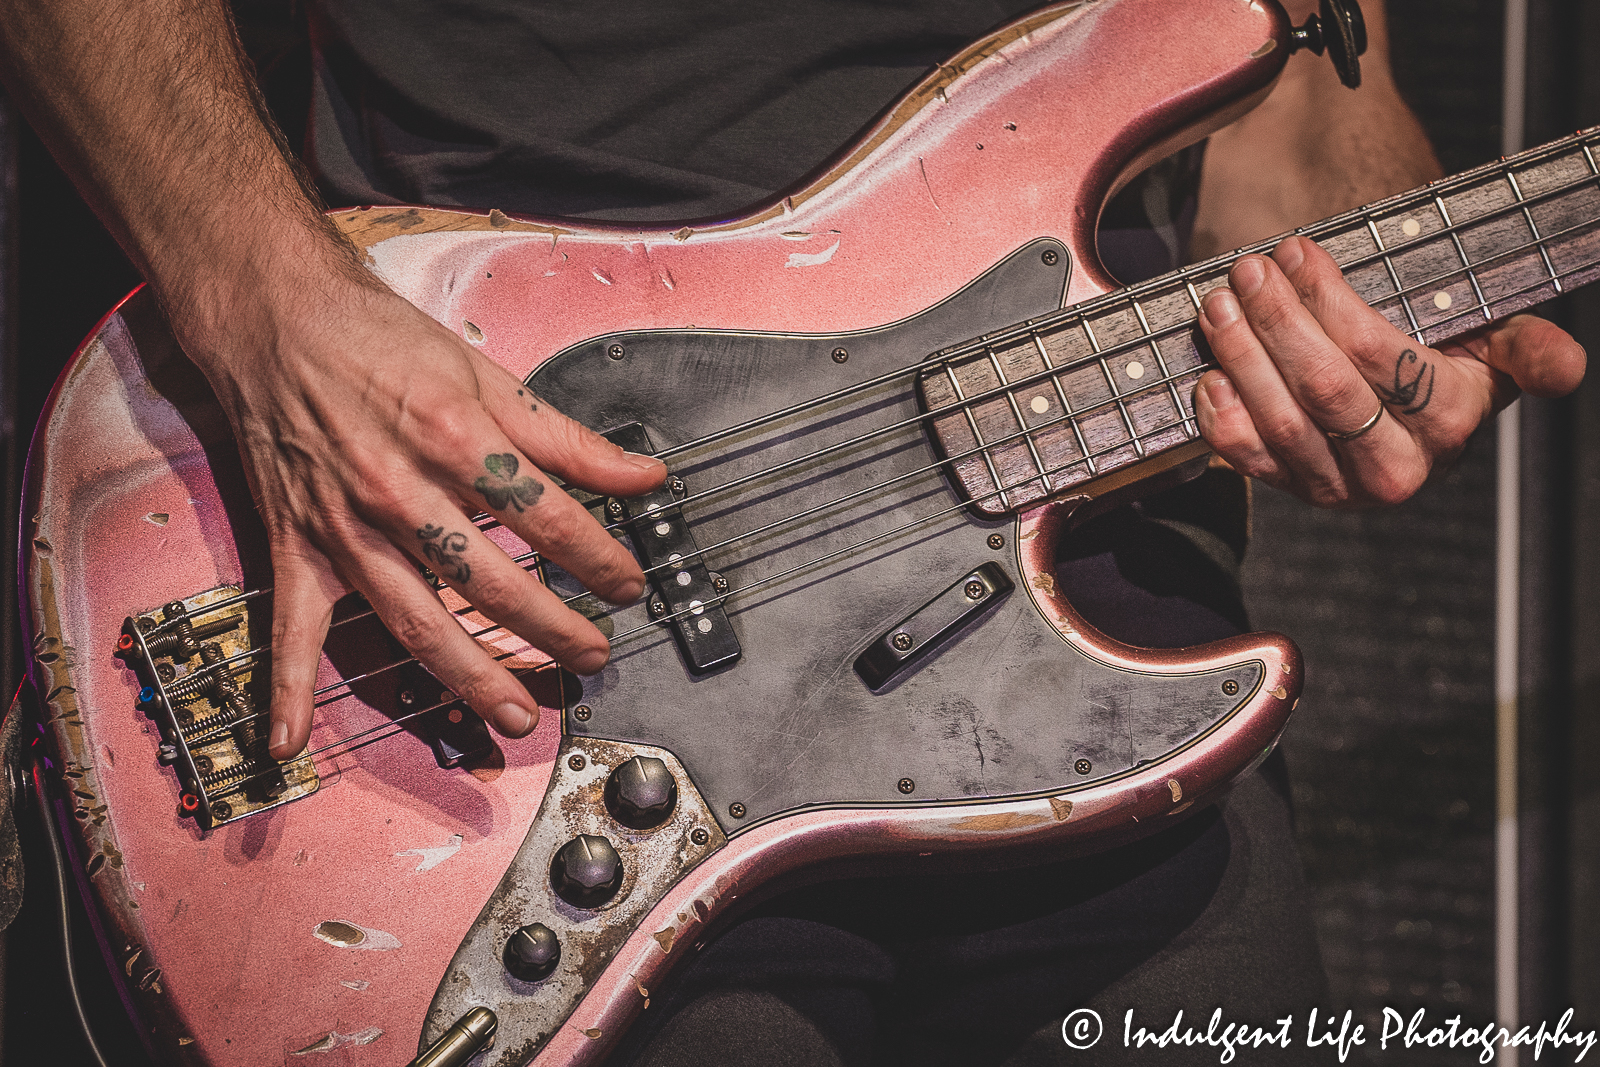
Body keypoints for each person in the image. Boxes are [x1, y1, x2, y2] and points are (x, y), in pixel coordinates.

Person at [0, 0, 1586, 1063]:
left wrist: (1382, 347)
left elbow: (1303, 132)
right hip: (503, 556)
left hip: (1102, 637)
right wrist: (269, 311)